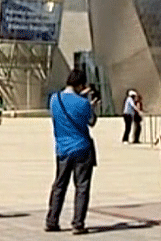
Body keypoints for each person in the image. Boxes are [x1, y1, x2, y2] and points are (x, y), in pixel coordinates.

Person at [44, 69, 99, 235]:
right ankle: (78, 223)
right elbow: (91, 122)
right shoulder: (83, 103)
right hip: (82, 148)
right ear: (81, 84)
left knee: (59, 185)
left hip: (62, 148)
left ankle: (52, 220)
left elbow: (56, 119)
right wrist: (91, 105)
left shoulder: (54, 99)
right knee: (82, 186)